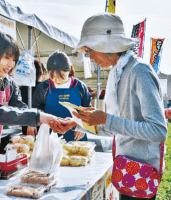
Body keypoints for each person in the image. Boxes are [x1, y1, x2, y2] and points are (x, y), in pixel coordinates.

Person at [64, 13, 167, 200]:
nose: (91, 57)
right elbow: (116, 128)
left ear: (106, 45)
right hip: (126, 171)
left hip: (140, 175)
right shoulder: (118, 72)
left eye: (91, 50)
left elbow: (159, 130)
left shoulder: (139, 71)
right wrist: (79, 123)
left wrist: (106, 119)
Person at [0, 32, 75, 154]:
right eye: (6, 58)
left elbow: (19, 107)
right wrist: (38, 116)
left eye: (14, 60)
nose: (11, 64)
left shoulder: (8, 82)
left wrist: (41, 121)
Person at [28, 50, 92, 142]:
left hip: (77, 139)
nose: (57, 79)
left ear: (69, 70)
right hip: (50, 138)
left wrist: (83, 126)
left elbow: (88, 112)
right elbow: (35, 109)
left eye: (62, 75)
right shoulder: (43, 88)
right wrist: (31, 123)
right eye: (52, 75)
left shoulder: (80, 87)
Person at [20, 60, 46, 135]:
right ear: (43, 73)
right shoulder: (45, 88)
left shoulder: (21, 89)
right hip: (43, 127)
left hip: (26, 128)